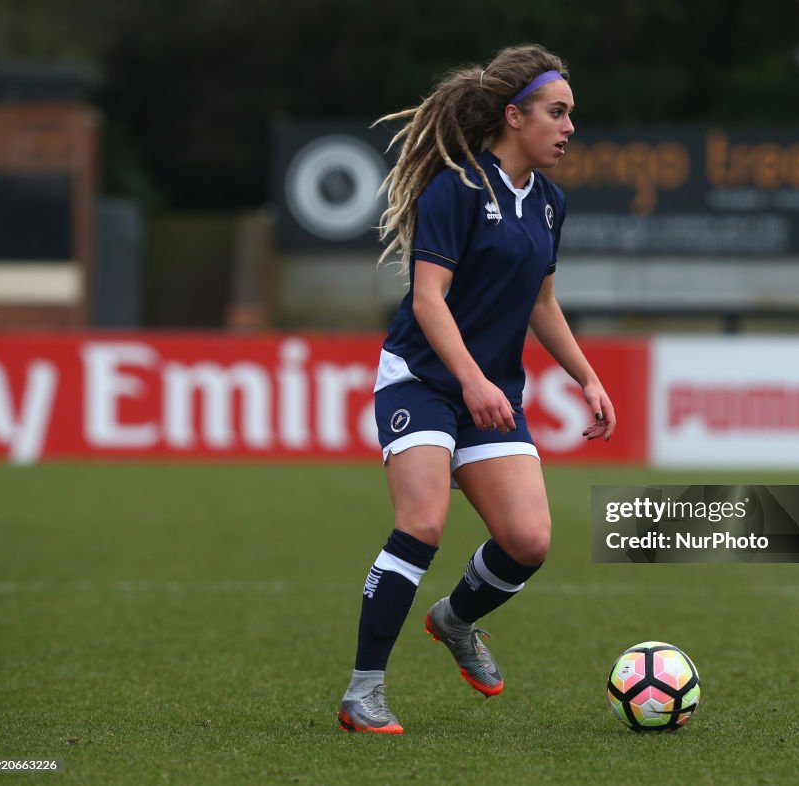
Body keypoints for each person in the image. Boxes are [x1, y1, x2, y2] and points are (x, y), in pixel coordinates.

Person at [338, 43, 617, 734]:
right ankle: (362, 692)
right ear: (514, 116)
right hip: (424, 379)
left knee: (528, 540)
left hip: (488, 392)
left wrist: (586, 375)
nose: (569, 127)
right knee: (423, 523)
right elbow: (428, 299)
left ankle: (455, 621)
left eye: (570, 114)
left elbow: (542, 305)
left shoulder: (548, 203)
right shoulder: (457, 188)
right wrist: (471, 379)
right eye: (557, 113)